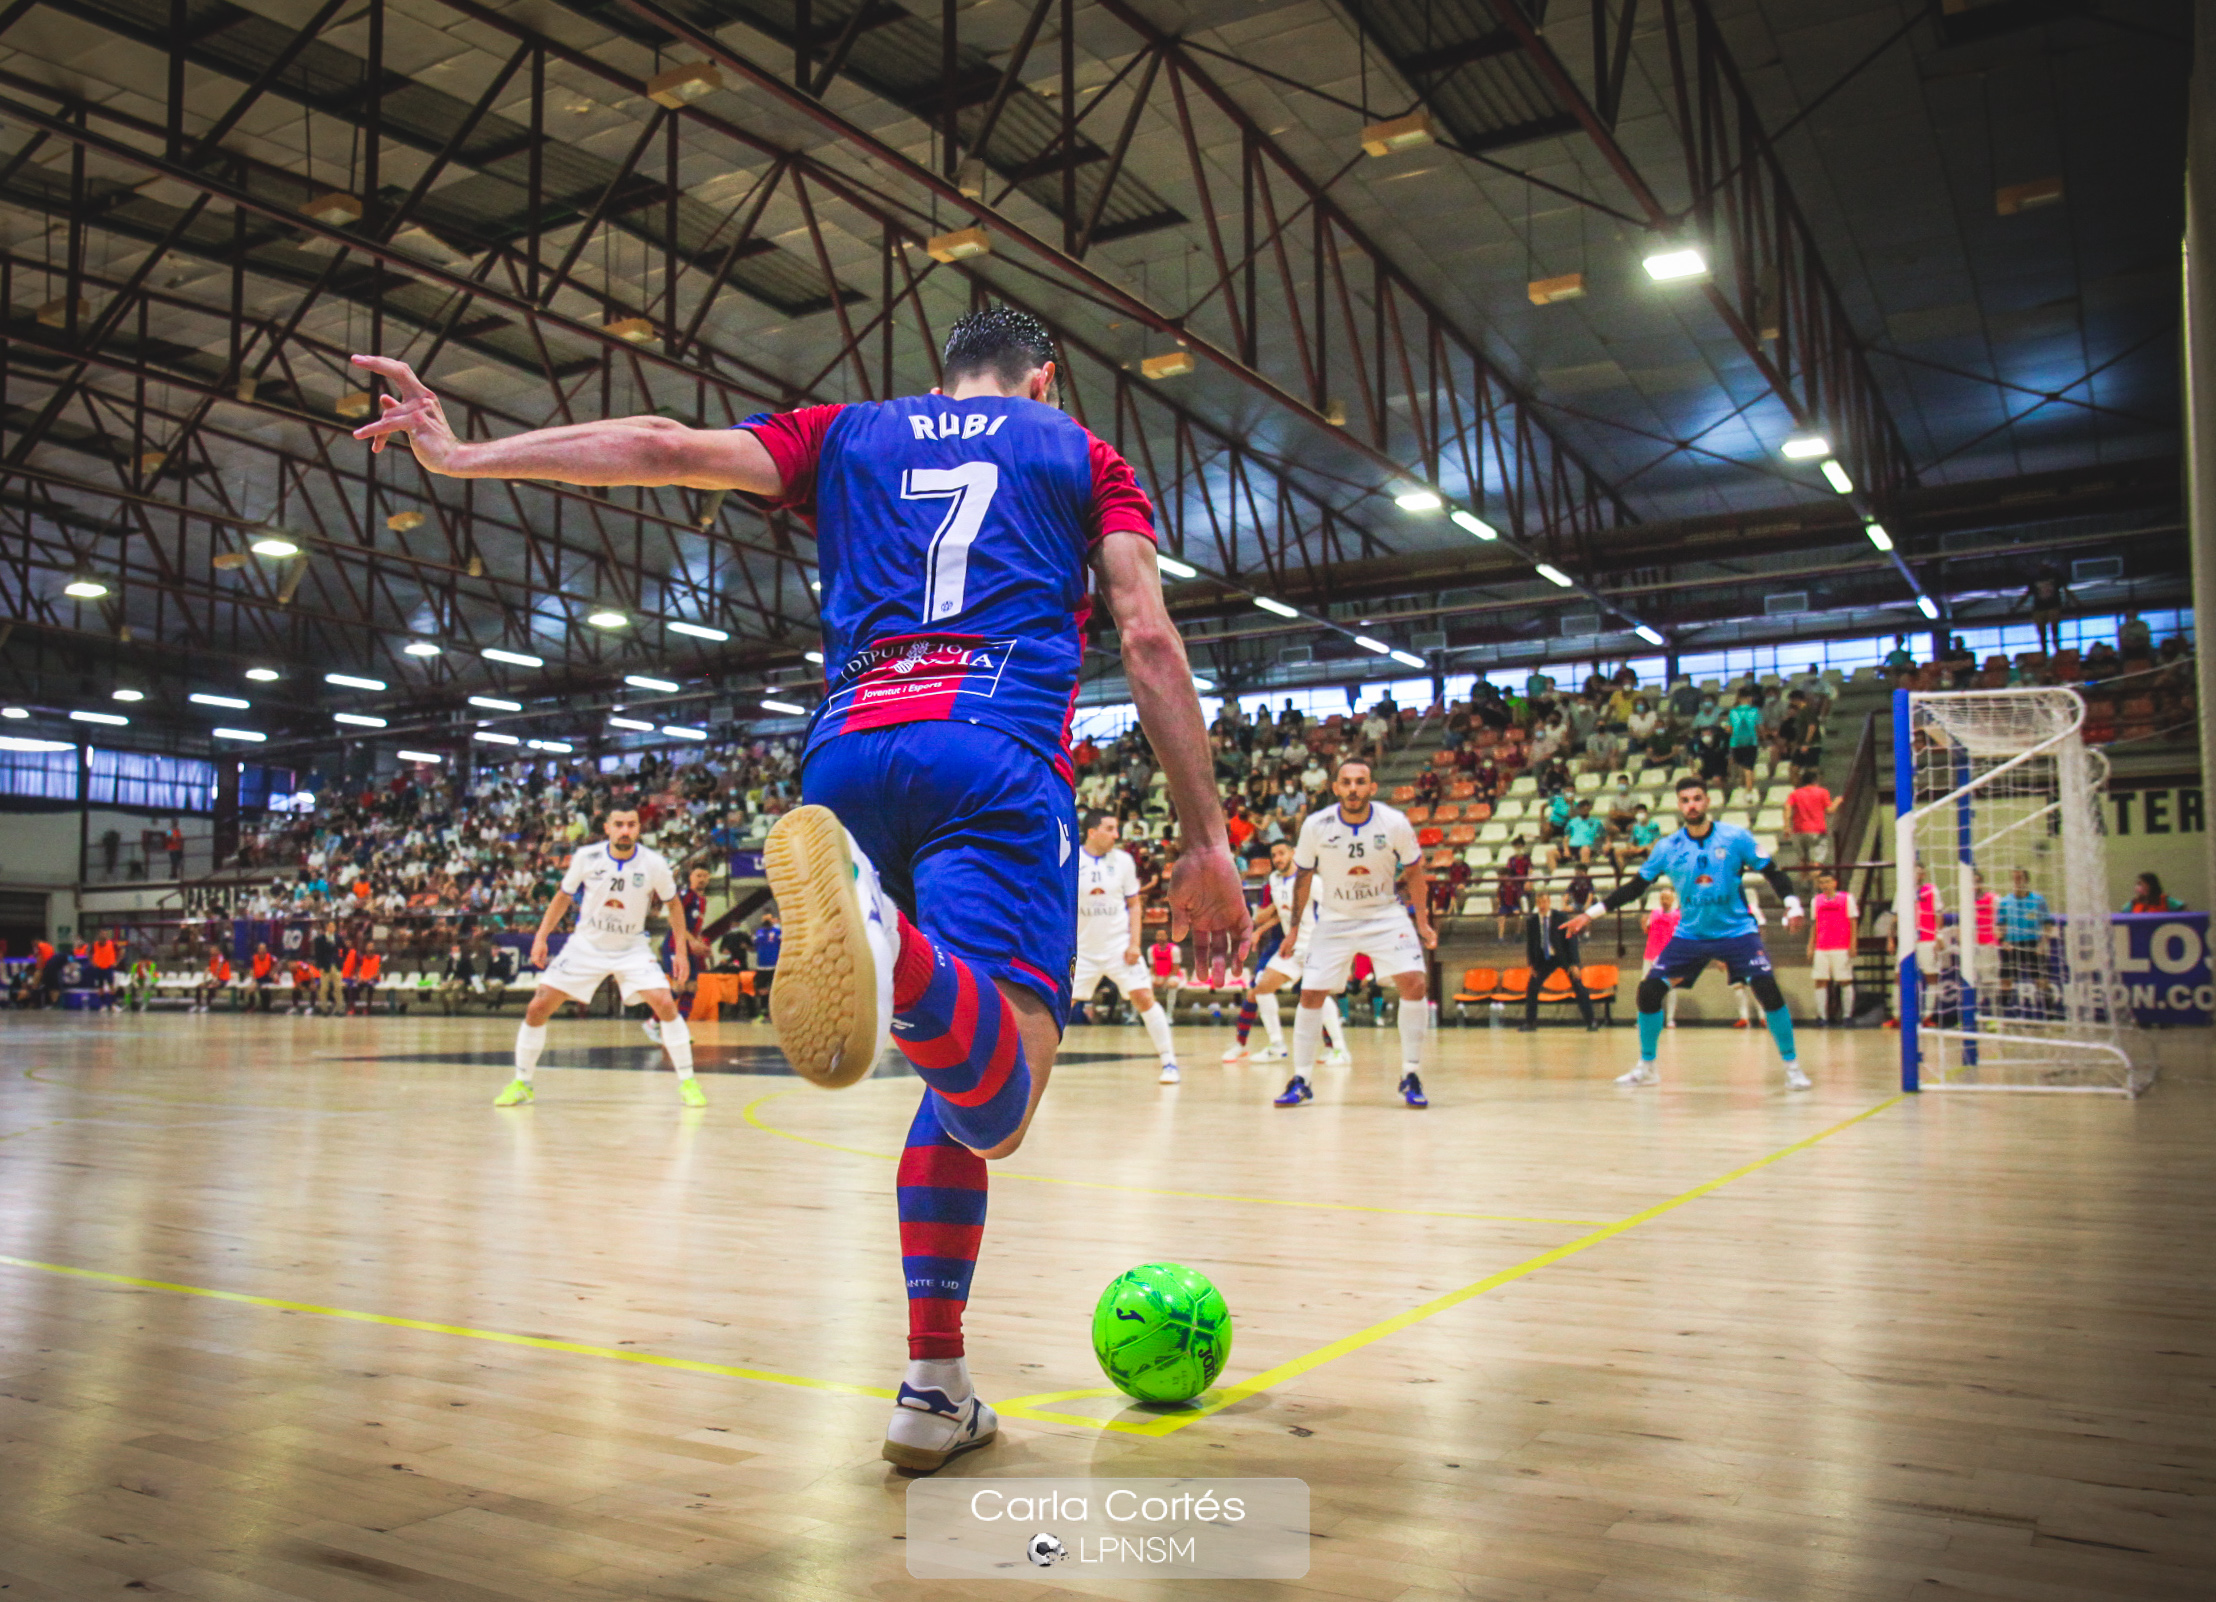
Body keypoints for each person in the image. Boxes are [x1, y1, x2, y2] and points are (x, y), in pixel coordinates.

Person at [353, 307, 1248, 1473]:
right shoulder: (1078, 450)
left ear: (945, 369)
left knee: (943, 1079)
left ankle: (934, 1384)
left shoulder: (847, 431)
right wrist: (1206, 840)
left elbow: (664, 445)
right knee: (998, 1102)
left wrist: (462, 452)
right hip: (991, 755)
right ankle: (887, 940)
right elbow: (1147, 642)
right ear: (1044, 374)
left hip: (845, 762)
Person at [1563, 775, 1809, 1091]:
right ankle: (1647, 1066)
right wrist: (1589, 913)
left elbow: (1773, 872)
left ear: (1707, 801)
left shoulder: (1736, 838)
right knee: (1649, 991)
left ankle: (1793, 1067)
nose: (1691, 805)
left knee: (1767, 988)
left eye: (1697, 798)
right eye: (1685, 800)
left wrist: (1793, 905)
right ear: (1679, 805)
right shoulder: (1667, 847)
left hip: (1737, 931)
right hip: (1690, 935)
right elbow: (1636, 887)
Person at [494, 804, 702, 1108]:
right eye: (618, 824)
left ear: (639, 828)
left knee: (665, 1002)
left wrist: (681, 952)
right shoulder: (586, 857)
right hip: (586, 947)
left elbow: (674, 905)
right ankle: (522, 1083)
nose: (625, 830)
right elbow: (563, 897)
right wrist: (540, 937)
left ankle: (688, 1082)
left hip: (631, 946)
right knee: (537, 1007)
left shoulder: (654, 863)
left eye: (631, 824)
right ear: (607, 828)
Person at [1271, 759, 1435, 1110]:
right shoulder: (1316, 825)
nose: (1353, 789)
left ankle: (1411, 1073)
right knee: (1311, 993)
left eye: (1361, 782)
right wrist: (1295, 928)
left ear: (1372, 788)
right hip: (1335, 918)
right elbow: (1302, 878)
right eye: (1346, 782)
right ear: (1336, 788)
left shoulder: (1394, 822)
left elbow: (1416, 872)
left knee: (1415, 983)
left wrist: (1421, 921)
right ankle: (1301, 1078)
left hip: (1385, 914)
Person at [1070, 811, 1181, 1083]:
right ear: (1092, 832)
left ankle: (1169, 1062)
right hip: (1082, 951)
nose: (1117, 835)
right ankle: (1031, 1071)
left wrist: (1134, 944)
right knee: (1058, 1007)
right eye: (1110, 828)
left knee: (1144, 997)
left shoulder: (1123, 861)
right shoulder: (1072, 860)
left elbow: (1134, 904)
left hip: (1118, 947)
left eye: (1117, 828)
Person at [1223, 839, 1350, 1066]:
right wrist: (1260, 929)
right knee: (1261, 989)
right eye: (1274, 855)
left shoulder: (1312, 881)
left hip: (1315, 947)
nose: (1278, 858)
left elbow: (1334, 910)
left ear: (1294, 853)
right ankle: (1277, 1046)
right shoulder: (1274, 880)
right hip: (1290, 949)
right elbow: (1278, 913)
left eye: (1282, 853)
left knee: (1316, 996)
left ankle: (1340, 1050)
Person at [645, 863, 717, 1047]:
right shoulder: (685, 895)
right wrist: (691, 941)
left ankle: (680, 1031)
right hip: (675, 946)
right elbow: (672, 919)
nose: (702, 879)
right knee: (679, 987)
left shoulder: (702, 900)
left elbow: (693, 928)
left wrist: (699, 942)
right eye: (698, 875)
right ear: (690, 877)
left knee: (691, 988)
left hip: (689, 949)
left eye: (705, 875)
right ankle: (652, 1023)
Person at [1520, 890, 1599, 1032]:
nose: (1542, 905)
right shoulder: (1532, 921)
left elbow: (1571, 940)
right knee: (1532, 986)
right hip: (1543, 959)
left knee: (1578, 986)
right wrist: (1531, 964)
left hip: (1563, 956)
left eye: (1544, 902)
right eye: (1539, 903)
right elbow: (1531, 944)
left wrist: (1574, 963)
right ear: (1536, 904)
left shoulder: (1561, 917)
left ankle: (1591, 1021)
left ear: (1549, 902)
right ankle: (1530, 1023)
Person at [1995, 867, 2052, 1016]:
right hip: (2012, 945)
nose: (2017, 881)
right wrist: (2003, 941)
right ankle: (2002, 1016)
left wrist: (2043, 943)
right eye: (2014, 878)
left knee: (2041, 980)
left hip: (2033, 943)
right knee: (2006, 981)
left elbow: (2048, 923)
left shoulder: (2038, 900)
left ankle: (2051, 1014)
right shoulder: (2005, 901)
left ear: (2026, 880)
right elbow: (1999, 925)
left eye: (2020, 877)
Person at [1807, 870, 1857, 1025]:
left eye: (1828, 881)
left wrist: (1853, 943)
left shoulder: (1847, 899)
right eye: (1822, 882)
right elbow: (1815, 924)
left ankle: (1847, 1016)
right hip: (1822, 947)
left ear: (1835, 882)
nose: (1825, 885)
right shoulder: (1816, 901)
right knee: (1820, 980)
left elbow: (1853, 922)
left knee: (1844, 980)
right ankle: (1822, 1017)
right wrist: (1811, 945)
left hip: (1841, 946)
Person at [1781, 768, 1837, 877]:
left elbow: (1787, 808)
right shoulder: (1822, 792)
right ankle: (1815, 889)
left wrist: (1787, 826)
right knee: (1815, 862)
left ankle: (1803, 885)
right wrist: (1837, 802)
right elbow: (1829, 811)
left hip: (1798, 830)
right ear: (1815, 780)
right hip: (1817, 830)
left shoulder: (1795, 793)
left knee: (1803, 861)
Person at [1641, 887, 1682, 1029]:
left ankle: (1670, 1019)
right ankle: (1644, 1018)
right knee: (1646, 986)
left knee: (1670, 987)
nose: (1664, 901)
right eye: (1662, 898)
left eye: (1667, 898)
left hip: (1669, 956)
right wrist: (1644, 925)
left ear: (1672, 900)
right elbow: (1647, 930)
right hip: (1651, 954)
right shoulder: (1654, 913)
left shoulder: (1678, 915)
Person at [2025, 567, 2068, 656]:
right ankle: (2045, 652)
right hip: (2040, 608)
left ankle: (2056, 649)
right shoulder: (2034, 579)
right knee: (2042, 632)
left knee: (2054, 629)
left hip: (2052, 606)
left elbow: (2066, 590)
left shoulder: (2056, 576)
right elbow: (2027, 594)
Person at [1725, 692, 1763, 792]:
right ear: (1749, 698)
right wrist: (1763, 739)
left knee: (1741, 766)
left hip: (1736, 743)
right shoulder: (1755, 711)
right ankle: (1749, 790)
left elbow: (1729, 729)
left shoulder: (1732, 712)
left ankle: (1744, 787)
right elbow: (1760, 727)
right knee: (1749, 768)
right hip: (1751, 742)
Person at [438, 942, 476, 1015]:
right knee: (441, 990)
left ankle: (456, 1009)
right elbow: (448, 971)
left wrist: (464, 980)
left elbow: (471, 972)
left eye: (456, 951)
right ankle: (447, 1009)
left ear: (460, 952)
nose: (454, 953)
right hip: (452, 980)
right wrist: (444, 980)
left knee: (456, 989)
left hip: (461, 980)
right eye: (453, 951)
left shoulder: (465, 960)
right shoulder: (451, 960)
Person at [194, 946, 233, 1012]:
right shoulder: (211, 959)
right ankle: (198, 1005)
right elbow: (210, 968)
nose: (212, 952)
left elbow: (219, 966)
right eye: (211, 950)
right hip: (214, 979)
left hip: (223, 979)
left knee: (211, 987)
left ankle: (207, 1005)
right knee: (199, 986)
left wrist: (216, 977)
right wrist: (206, 971)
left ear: (218, 951)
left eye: (214, 950)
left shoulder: (221, 957)